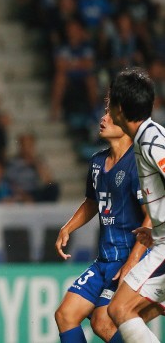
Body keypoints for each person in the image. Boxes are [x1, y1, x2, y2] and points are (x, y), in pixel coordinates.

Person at [54, 108, 151, 343]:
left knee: (102, 321)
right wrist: (67, 227)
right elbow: (91, 202)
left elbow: (150, 218)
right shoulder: (97, 161)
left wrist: (132, 262)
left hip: (130, 258)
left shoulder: (137, 164)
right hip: (105, 260)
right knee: (65, 315)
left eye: (110, 115)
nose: (102, 118)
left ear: (126, 123)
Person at [107, 68, 165, 341]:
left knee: (120, 309)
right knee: (133, 312)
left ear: (119, 109)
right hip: (160, 240)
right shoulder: (148, 136)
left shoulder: (152, 142)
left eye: (109, 104)